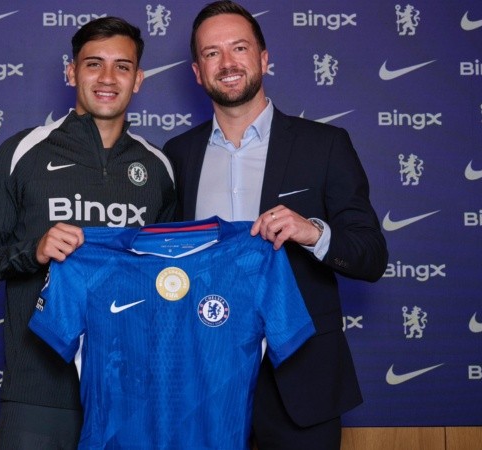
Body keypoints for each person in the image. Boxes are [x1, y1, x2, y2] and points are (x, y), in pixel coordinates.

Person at [162, 2, 388, 449]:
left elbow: (371, 256)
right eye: (212, 53)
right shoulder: (177, 155)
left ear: (264, 58)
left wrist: (313, 233)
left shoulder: (324, 146)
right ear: (196, 71)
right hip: (204, 386)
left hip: (301, 387)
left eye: (239, 48)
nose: (227, 63)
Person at [0, 16, 176, 450]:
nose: (108, 78)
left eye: (123, 66)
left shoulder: (159, 169)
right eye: (93, 64)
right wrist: (32, 252)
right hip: (39, 392)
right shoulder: (24, 151)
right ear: (71, 72)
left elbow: (169, 280)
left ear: (139, 79)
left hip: (130, 391)